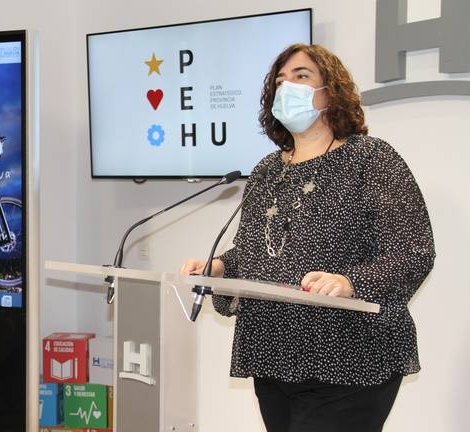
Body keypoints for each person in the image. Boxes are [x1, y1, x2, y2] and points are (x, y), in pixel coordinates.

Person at [180, 44, 435, 432]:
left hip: (350, 357)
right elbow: (258, 250)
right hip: (273, 352)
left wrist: (350, 283)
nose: (287, 87)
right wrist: (216, 266)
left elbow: (414, 251)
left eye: (301, 76)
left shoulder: (371, 158)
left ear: (331, 91)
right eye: (280, 81)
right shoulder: (267, 169)